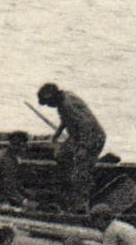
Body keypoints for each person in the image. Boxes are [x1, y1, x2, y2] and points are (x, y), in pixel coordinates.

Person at [38, 82, 105, 212]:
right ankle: (68, 183)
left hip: (93, 138)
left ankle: (82, 206)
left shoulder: (67, 104)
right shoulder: (62, 101)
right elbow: (66, 119)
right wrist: (56, 135)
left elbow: (86, 125)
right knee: (60, 154)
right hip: (78, 137)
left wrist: (83, 148)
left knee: (80, 172)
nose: (49, 106)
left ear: (53, 97)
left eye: (48, 103)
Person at [0, 130, 29, 206]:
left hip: (4, 195)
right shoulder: (8, 161)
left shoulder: (8, 155)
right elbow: (8, 187)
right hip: (0, 199)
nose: (24, 149)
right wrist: (24, 201)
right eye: (22, 146)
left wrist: (29, 194)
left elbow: (15, 184)